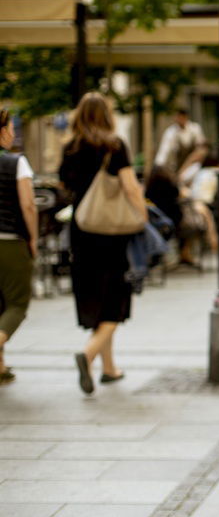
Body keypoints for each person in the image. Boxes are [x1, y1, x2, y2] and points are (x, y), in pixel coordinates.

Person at [58, 92, 148, 394]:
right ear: (106, 115)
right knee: (116, 298)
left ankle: (109, 368)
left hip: (82, 231)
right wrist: (144, 214)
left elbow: (64, 186)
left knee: (95, 293)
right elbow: (130, 186)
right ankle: (89, 354)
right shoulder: (114, 145)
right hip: (112, 233)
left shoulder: (70, 148)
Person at [0, 108, 38, 385]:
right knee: (16, 304)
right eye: (11, 127)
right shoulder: (16, 163)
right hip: (10, 241)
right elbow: (28, 204)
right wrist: (33, 238)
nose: (13, 133)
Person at [154, 108, 205, 180]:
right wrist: (157, 166)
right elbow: (164, 150)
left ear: (186, 117)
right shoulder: (171, 132)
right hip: (178, 167)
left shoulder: (195, 129)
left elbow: (201, 148)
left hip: (194, 167)